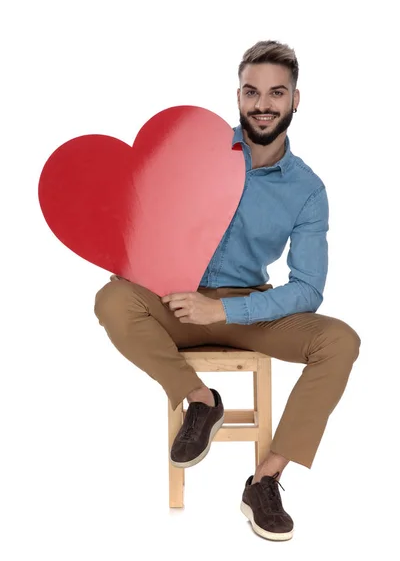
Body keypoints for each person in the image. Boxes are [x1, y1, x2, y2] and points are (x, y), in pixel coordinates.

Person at [94, 39, 361, 542]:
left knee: (340, 340)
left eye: (276, 93)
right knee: (111, 300)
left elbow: (307, 290)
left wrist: (223, 313)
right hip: (176, 300)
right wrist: (135, 265)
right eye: (251, 92)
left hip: (250, 309)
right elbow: (143, 218)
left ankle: (266, 480)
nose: (263, 104)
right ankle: (199, 400)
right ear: (238, 96)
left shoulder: (307, 189)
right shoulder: (193, 153)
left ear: (295, 100)